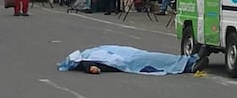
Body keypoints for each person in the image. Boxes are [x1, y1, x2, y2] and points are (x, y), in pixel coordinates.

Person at [58, 45, 209, 75]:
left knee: (154, 58)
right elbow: (91, 68)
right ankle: (190, 63)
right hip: (127, 61)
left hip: (126, 56)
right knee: (155, 60)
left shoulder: (89, 54)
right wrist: (92, 69)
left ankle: (191, 60)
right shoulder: (86, 61)